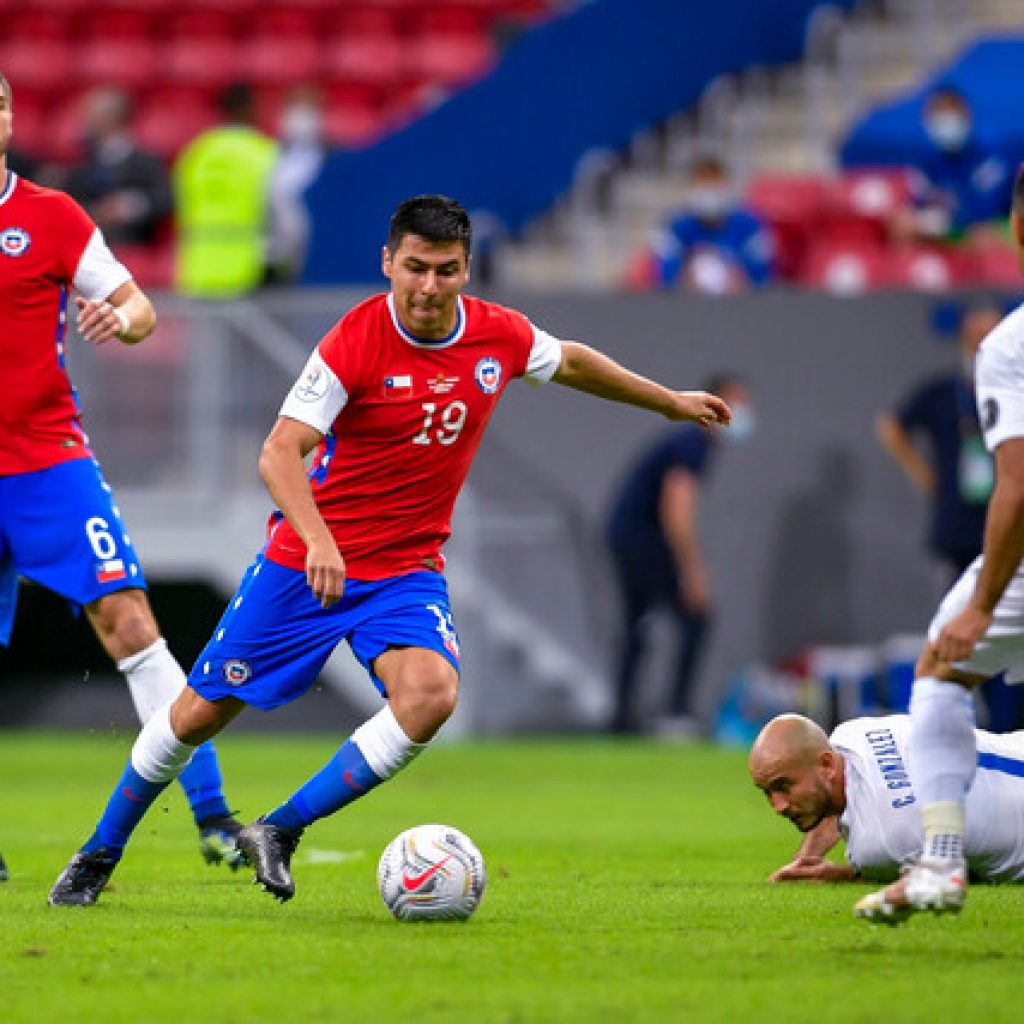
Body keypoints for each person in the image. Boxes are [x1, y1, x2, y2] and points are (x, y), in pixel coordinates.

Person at [48, 193, 732, 907]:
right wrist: (317, 540)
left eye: (446, 270)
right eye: (414, 268)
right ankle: (98, 852)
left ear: (468, 270)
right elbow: (281, 454)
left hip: (406, 570)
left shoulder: (497, 336)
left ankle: (279, 829)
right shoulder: (357, 339)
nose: (429, 287)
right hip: (304, 566)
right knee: (194, 717)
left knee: (430, 696)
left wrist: (669, 401)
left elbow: (572, 362)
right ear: (388, 262)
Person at [0, 73, 242, 874]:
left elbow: (139, 307)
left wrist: (120, 318)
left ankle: (211, 815)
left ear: (9, 118)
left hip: (46, 460)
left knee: (129, 619)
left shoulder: (52, 215)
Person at [855, 165, 1024, 924]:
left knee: (942, 669)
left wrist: (983, 604)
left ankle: (944, 861)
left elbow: (1018, 485)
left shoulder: (1009, 346)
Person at [877, 299, 1022, 729]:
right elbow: (891, 425)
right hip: (963, 530)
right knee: (945, 655)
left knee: (946, 664)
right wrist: (929, 479)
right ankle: (988, 730)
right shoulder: (944, 391)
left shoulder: (1011, 366)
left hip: (1014, 526)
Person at [605, 375, 754, 736]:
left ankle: (623, 718)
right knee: (695, 616)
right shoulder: (693, 442)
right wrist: (691, 570)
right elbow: (677, 507)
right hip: (643, 541)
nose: (743, 413)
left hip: (629, 537)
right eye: (736, 402)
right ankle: (675, 714)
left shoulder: (688, 442)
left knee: (637, 627)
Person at [749, 713, 1024, 887]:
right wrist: (807, 858)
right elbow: (838, 799)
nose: (778, 806)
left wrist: (837, 876)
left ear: (826, 765)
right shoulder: (852, 734)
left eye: (784, 786)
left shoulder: (879, 845)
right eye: (767, 792)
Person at [172, 83, 279, 297]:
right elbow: (279, 212)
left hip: (199, 270)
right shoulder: (263, 152)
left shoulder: (197, 153)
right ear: (250, 109)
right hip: (249, 270)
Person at [890, 87, 1012, 243]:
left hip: (989, 235)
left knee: (983, 235)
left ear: (966, 116)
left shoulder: (989, 158)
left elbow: (982, 214)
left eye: (950, 115)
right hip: (945, 233)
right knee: (902, 227)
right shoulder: (925, 161)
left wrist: (942, 219)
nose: (945, 123)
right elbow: (915, 204)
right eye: (938, 116)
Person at [646, 154, 775, 294]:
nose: (709, 190)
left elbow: (762, 276)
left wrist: (740, 280)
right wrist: (685, 279)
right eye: (703, 183)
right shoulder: (675, 225)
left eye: (715, 183)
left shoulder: (749, 224)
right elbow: (664, 276)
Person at [64, 86, 172, 247]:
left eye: (92, 116)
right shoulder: (82, 161)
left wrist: (129, 206)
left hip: (135, 246)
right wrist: (97, 211)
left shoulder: (145, 162)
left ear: (111, 119)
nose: (86, 122)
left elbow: (166, 199)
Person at [266, 85, 326, 283]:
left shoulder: (335, 157)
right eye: (295, 109)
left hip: (320, 260)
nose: (301, 118)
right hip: (279, 261)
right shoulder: (269, 158)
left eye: (308, 110)